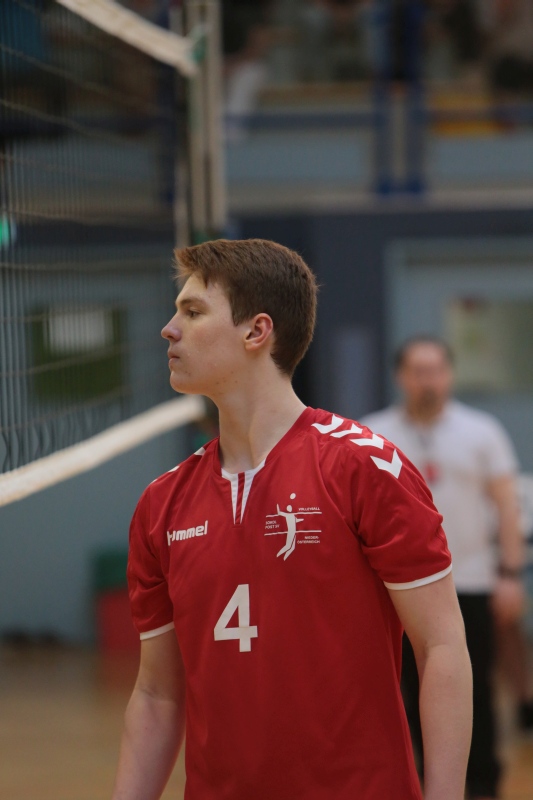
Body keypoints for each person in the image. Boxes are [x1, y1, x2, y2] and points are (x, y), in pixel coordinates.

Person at [112, 240, 472, 800]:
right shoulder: (162, 504)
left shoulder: (364, 467)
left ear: (257, 331)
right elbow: (159, 694)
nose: (169, 329)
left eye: (193, 311)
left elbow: (441, 648)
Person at [362, 335, 526, 800]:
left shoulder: (482, 431)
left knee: (473, 687)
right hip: (397, 590)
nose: (428, 380)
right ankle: (420, 782)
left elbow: (507, 507)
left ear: (449, 375)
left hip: (470, 582)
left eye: (435, 370)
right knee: (407, 691)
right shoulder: (372, 434)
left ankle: (482, 785)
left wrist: (510, 575)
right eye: (418, 371)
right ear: (401, 377)